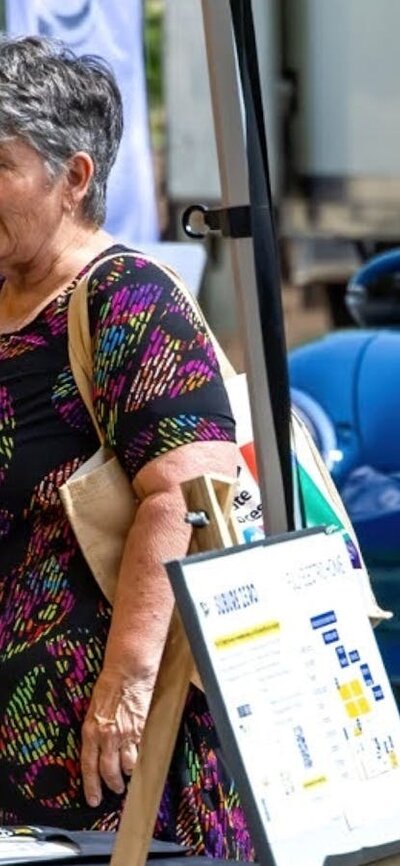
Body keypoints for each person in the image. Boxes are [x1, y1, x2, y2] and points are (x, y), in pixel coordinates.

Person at [0, 35, 253, 859]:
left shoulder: (126, 299)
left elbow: (188, 492)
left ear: (74, 176)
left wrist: (128, 685)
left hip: (110, 766)